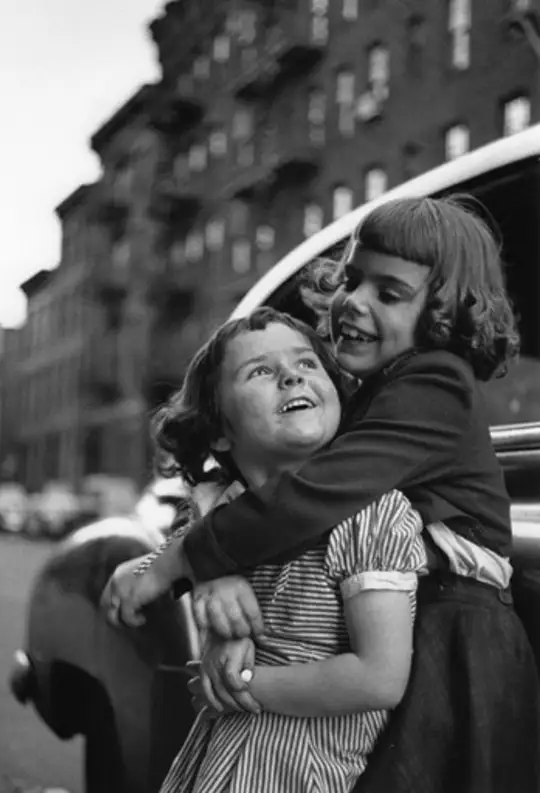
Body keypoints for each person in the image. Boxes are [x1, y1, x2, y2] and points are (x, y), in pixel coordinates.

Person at [105, 196, 540, 791]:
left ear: (443, 314)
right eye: (353, 279)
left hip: (458, 643)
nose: (354, 302)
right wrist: (214, 568)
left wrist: (185, 559)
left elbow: (313, 494)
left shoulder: (434, 383)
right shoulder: (368, 395)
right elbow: (249, 492)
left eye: (389, 293)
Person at [146, 307, 427, 793]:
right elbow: (165, 570)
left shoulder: (369, 515)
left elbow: (380, 677)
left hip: (298, 774)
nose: (291, 375)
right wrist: (213, 574)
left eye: (307, 364)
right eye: (259, 371)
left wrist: (240, 683)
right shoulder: (226, 527)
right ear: (218, 431)